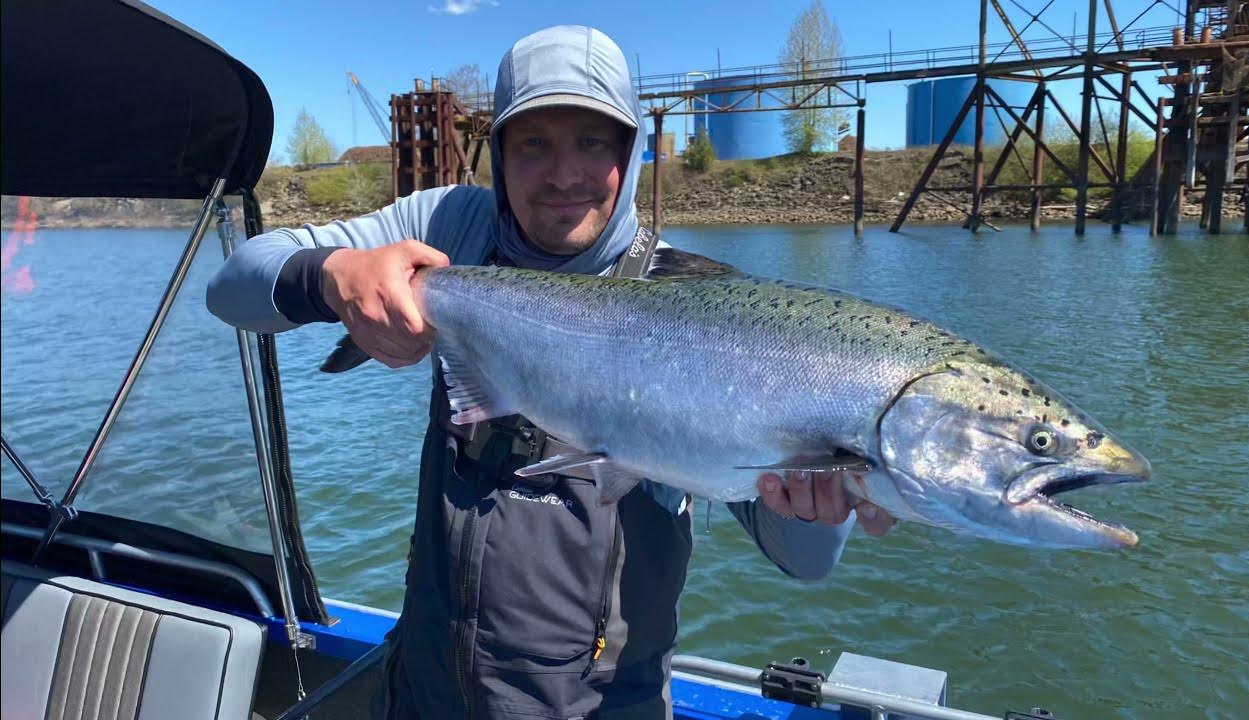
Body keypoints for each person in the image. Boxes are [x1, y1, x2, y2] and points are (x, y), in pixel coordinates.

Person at [208, 25, 895, 720]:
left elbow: (806, 561)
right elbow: (232, 285)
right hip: (420, 693)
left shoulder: (701, 314)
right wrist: (334, 275)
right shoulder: (448, 229)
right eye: (534, 143)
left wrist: (816, 506)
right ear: (499, 153)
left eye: (592, 142)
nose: (564, 175)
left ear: (629, 152)